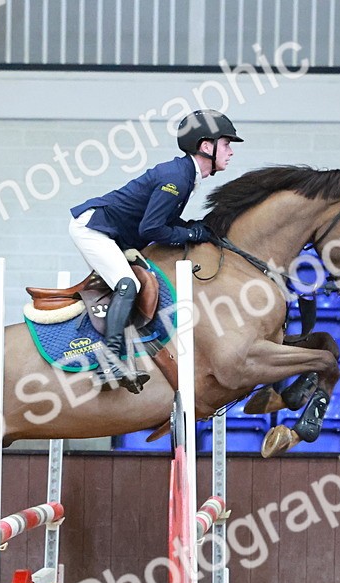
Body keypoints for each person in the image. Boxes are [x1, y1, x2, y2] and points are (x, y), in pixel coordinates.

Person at [68, 109, 243, 393]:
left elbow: (164, 221)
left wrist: (193, 228)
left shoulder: (185, 175)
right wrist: (191, 234)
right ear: (205, 146)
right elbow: (152, 229)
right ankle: (108, 363)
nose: (231, 151)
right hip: (94, 229)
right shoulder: (177, 178)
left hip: (114, 233)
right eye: (226, 144)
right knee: (128, 284)